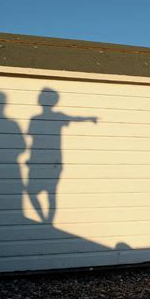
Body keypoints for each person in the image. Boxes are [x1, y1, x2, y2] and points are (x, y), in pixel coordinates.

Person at [27, 88, 97, 223]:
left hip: (47, 160)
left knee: (44, 192)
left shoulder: (38, 119)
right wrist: (89, 118)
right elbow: (74, 119)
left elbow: (33, 141)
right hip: (48, 160)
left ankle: (47, 222)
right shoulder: (49, 117)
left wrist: (89, 118)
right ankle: (48, 222)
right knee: (48, 193)